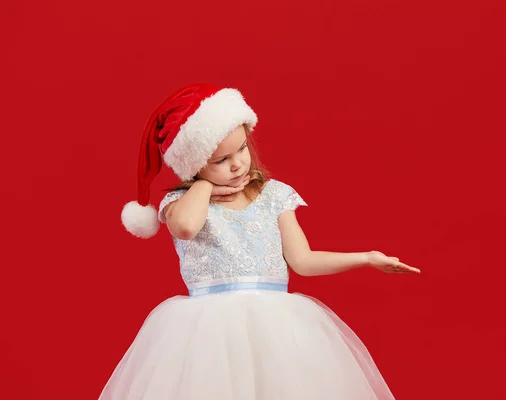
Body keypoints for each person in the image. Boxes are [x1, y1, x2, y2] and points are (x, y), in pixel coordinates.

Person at [101, 82, 421, 400]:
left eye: (241, 149)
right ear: (194, 165)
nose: (238, 163)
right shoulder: (180, 203)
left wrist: (365, 257)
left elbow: (303, 261)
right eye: (220, 160)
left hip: (275, 328)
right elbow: (185, 227)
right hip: (210, 334)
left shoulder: (273, 195)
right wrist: (204, 187)